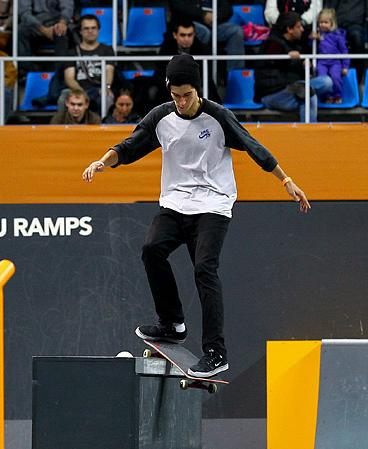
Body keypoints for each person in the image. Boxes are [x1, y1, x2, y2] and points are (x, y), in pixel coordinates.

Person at [81, 54, 310, 378]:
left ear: (196, 91)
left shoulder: (218, 117)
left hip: (214, 204)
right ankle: (172, 324)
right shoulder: (162, 117)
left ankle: (216, 352)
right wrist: (103, 162)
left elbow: (254, 147)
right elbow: (130, 145)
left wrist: (286, 181)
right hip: (176, 203)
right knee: (151, 250)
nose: (181, 102)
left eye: (186, 96)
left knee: (204, 268)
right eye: (175, 96)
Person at [254, 11, 332, 122]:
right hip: (273, 94)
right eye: (299, 27)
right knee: (309, 95)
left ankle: (307, 133)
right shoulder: (272, 44)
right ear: (289, 29)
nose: (302, 30)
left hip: (291, 90)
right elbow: (278, 72)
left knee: (325, 82)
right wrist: (293, 60)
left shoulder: (294, 43)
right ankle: (310, 135)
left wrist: (303, 64)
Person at [57, 14, 114, 113]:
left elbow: (109, 70)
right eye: (86, 28)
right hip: (76, 89)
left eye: (93, 28)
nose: (90, 31)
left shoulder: (107, 50)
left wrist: (106, 87)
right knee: (63, 98)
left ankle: (104, 127)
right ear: (80, 31)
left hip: (98, 89)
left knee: (107, 99)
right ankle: (61, 127)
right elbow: (69, 78)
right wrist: (81, 94)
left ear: (98, 30)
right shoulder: (72, 52)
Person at [169, 0, 244, 70]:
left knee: (236, 31)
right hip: (191, 22)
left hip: (215, 24)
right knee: (204, 32)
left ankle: (235, 76)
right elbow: (179, 6)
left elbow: (227, 8)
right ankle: (200, 70)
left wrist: (216, 16)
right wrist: (203, 15)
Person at [18, 0, 72, 72]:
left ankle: (60, 74)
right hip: (34, 23)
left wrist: (62, 23)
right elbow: (24, 13)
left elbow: (67, 7)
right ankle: (25, 74)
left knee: (62, 32)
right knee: (19, 31)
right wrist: (43, 29)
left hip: (57, 21)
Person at [309, 8, 348, 105]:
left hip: (335, 62)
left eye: (325, 22)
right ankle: (326, 96)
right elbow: (310, 47)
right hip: (322, 62)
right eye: (321, 22)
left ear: (332, 23)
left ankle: (337, 95)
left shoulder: (338, 36)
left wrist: (345, 66)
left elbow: (344, 51)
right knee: (322, 78)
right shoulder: (318, 35)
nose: (322, 24)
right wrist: (311, 39)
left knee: (335, 77)